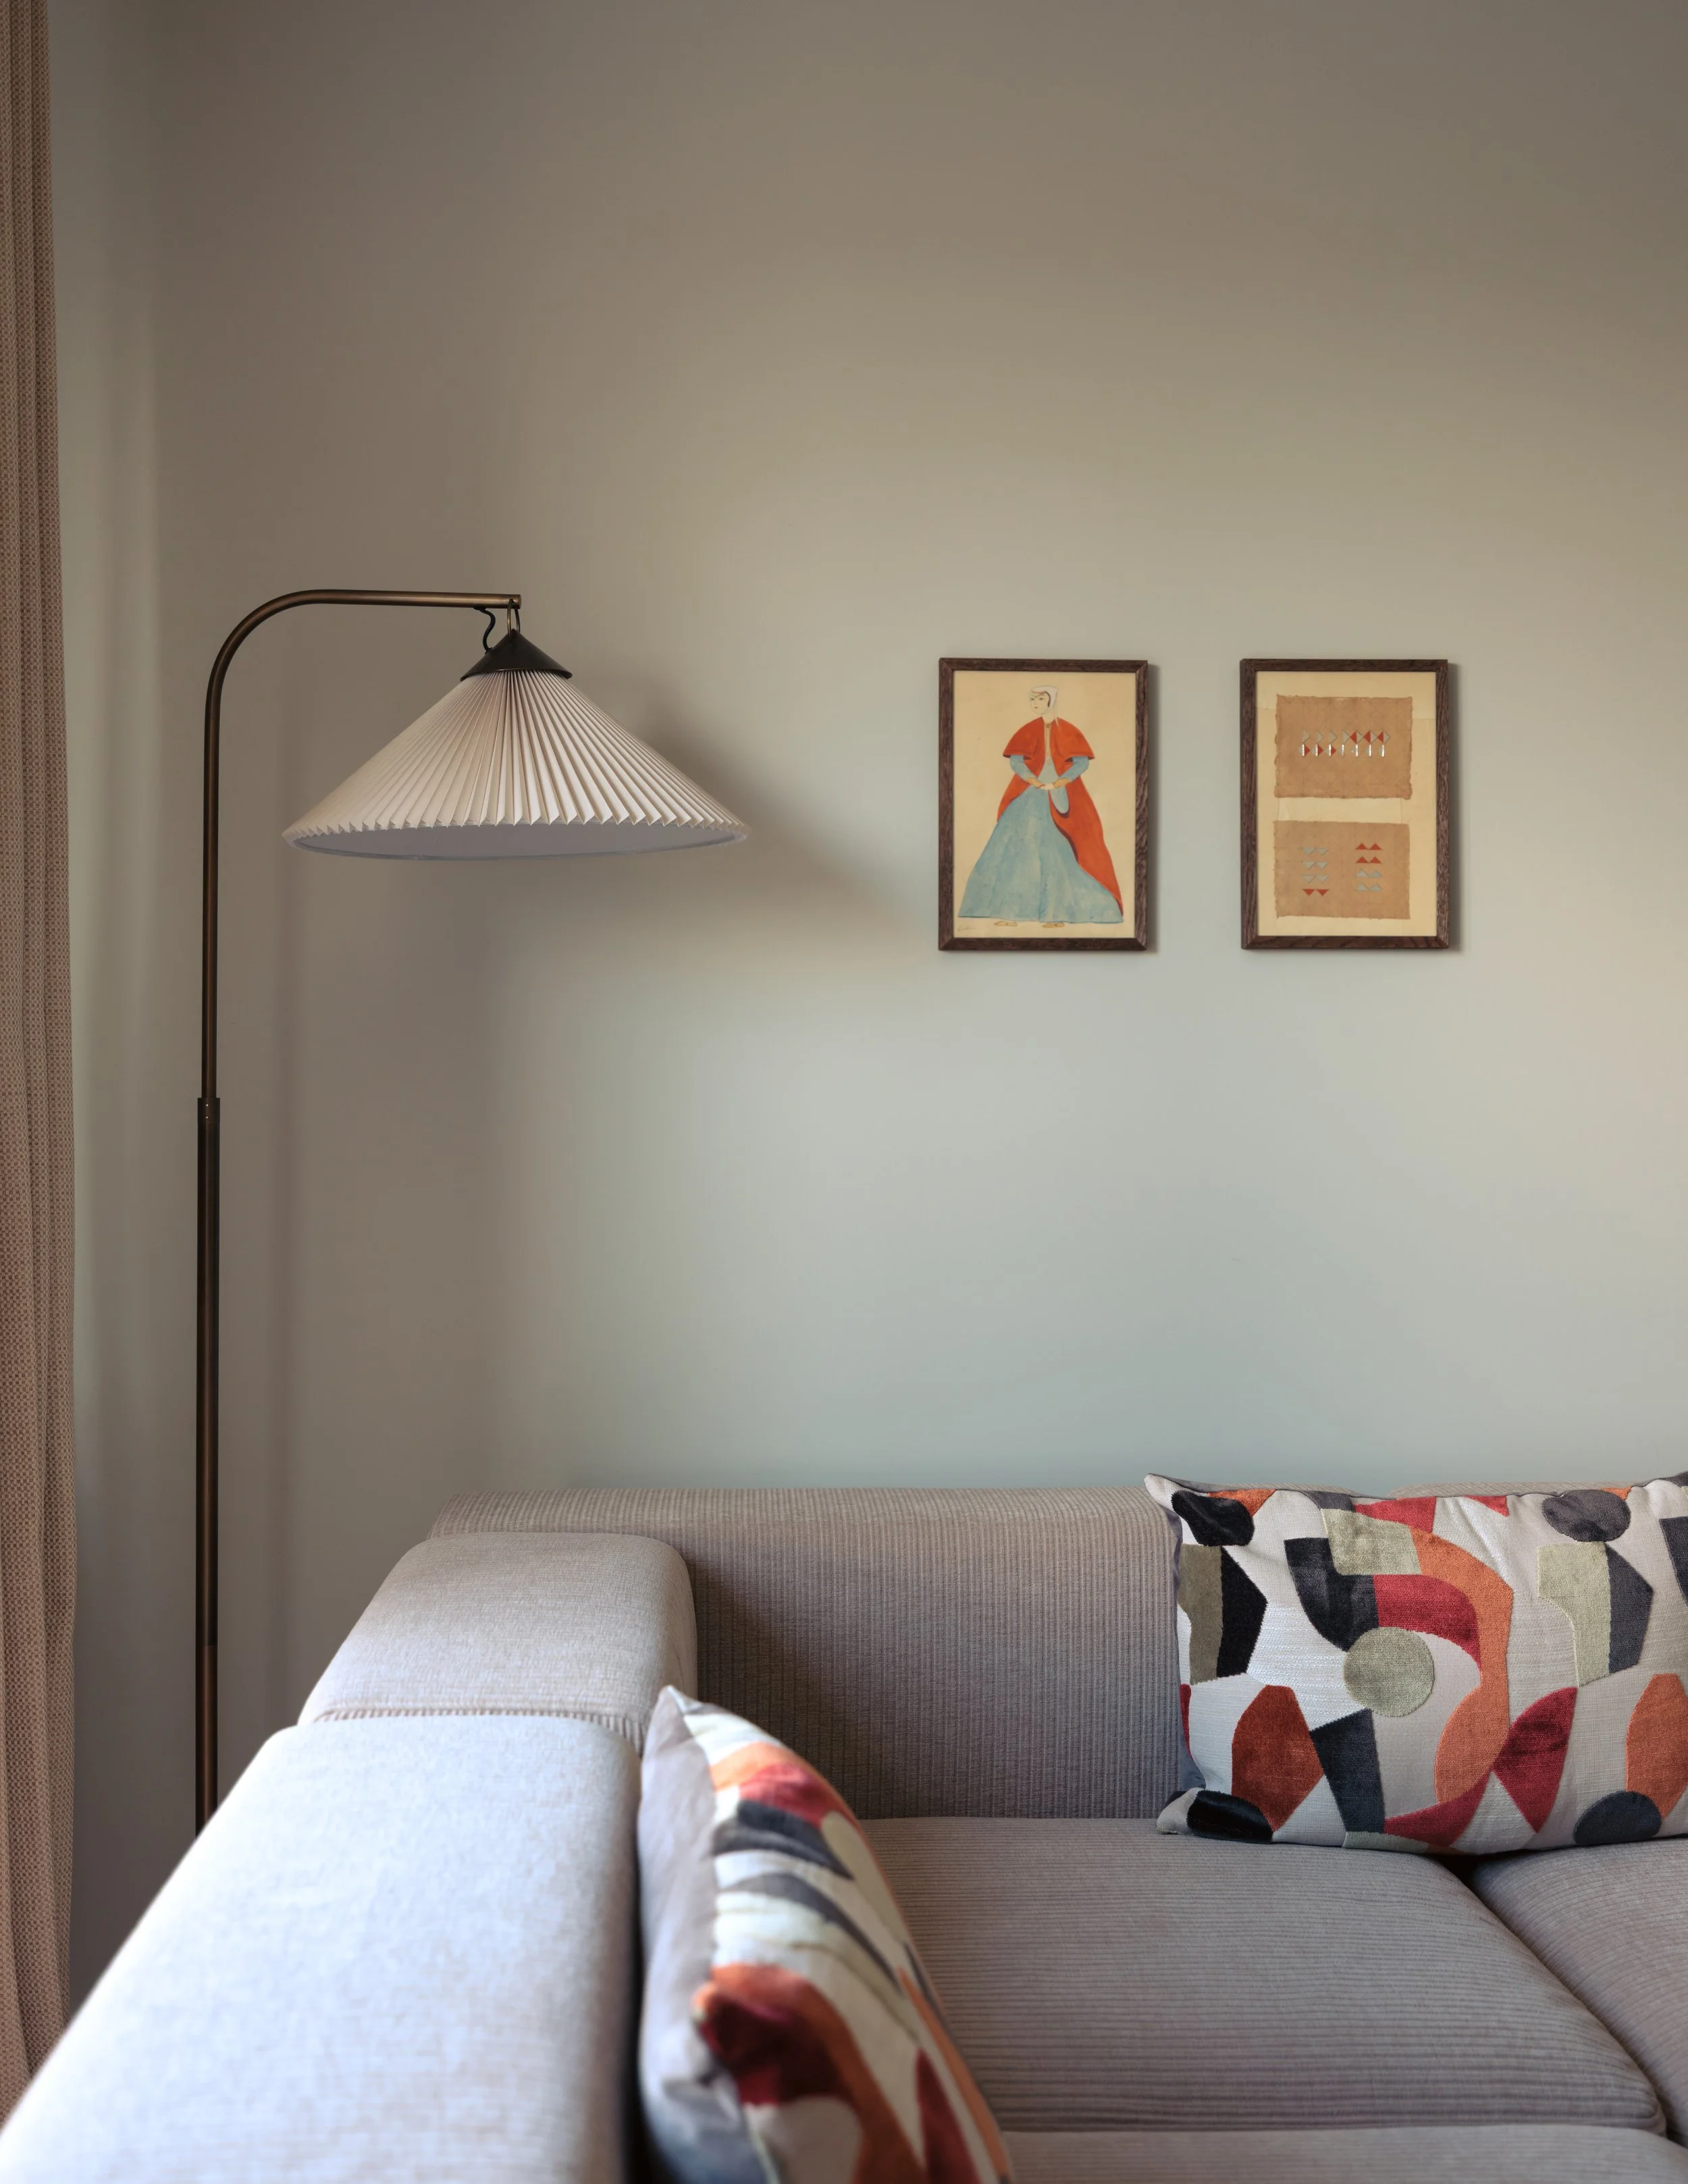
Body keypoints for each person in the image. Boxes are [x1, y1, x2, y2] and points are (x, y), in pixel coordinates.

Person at [959, 685, 1123, 924]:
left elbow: (1081, 762)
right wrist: (1031, 779)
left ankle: (1056, 914)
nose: (1035, 702)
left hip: (1060, 796)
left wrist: (1062, 781)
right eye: (1033, 698)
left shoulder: (1068, 730)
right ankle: (1011, 913)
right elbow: (1016, 760)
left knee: (1058, 853)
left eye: (1040, 698)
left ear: (1052, 700)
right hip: (1029, 795)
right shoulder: (1027, 730)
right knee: (1016, 850)